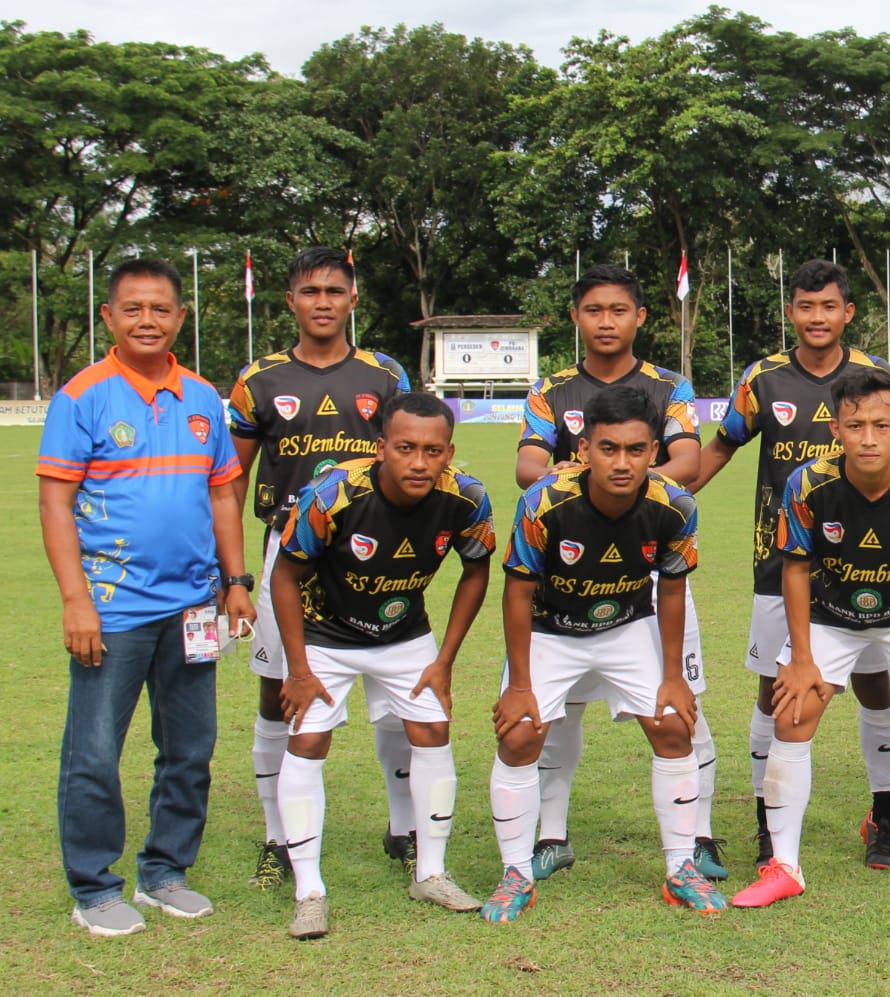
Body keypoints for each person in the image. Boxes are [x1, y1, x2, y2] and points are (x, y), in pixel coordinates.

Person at [39, 258, 256, 936]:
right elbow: (55, 501)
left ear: (180, 318)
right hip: (114, 608)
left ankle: (165, 871)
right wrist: (76, 600)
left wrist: (235, 582)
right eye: (132, 308)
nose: (147, 320)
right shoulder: (83, 395)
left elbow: (223, 495)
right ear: (109, 316)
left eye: (160, 309)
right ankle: (93, 887)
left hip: (194, 606)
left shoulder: (202, 397)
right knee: (95, 751)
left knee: (189, 747)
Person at [729, 368, 890, 912]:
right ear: (835, 430)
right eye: (855, 426)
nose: (868, 438)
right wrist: (802, 659)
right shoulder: (806, 483)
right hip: (830, 613)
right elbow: (794, 568)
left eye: (881, 425)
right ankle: (784, 867)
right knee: (791, 713)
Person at [484, 386, 727, 922]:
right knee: (519, 735)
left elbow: (672, 590)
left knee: (673, 726)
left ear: (654, 450)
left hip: (626, 625)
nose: (622, 463)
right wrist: (519, 685)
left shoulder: (675, 504)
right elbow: (517, 593)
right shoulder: (543, 501)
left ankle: (681, 867)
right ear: (584, 450)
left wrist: (673, 676)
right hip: (551, 629)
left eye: (636, 450)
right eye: (608, 448)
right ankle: (515, 874)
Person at [513, 265, 723, 881]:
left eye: (619, 310)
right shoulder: (551, 390)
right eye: (594, 310)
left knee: (681, 704)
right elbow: (528, 468)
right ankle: (552, 836)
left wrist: (622, 484)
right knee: (559, 712)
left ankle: (699, 836)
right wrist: (587, 484)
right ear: (576, 317)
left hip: (650, 564)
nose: (606, 322)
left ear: (640, 317)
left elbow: (688, 461)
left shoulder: (669, 387)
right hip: (570, 572)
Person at [691, 259, 890, 870]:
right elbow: (720, 448)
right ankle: (767, 824)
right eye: (806, 307)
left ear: (848, 312)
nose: (817, 317)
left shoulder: (875, 374)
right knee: (775, 690)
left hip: (867, 563)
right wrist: (660, 499)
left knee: (874, 687)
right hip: (781, 560)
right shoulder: (764, 378)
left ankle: (883, 820)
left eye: (828, 306)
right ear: (792, 312)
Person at [271, 392, 494, 939]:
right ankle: (309, 892)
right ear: (381, 448)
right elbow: (284, 576)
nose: (419, 462)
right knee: (307, 740)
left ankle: (431, 873)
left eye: (432, 451)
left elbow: (477, 572)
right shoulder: (332, 494)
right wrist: (298, 670)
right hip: (324, 634)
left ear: (449, 453)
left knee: (433, 731)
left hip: (403, 634)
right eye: (405, 448)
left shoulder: (466, 499)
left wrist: (444, 660)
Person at [226, 246, 414, 890]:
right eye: (311, 292)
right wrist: (233, 574)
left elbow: (412, 458)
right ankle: (278, 838)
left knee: (397, 699)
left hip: (375, 556)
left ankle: (405, 830)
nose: (323, 302)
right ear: (291, 301)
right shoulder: (260, 379)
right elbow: (229, 482)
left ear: (352, 299)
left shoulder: (385, 375)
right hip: (290, 555)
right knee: (279, 694)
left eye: (335, 291)